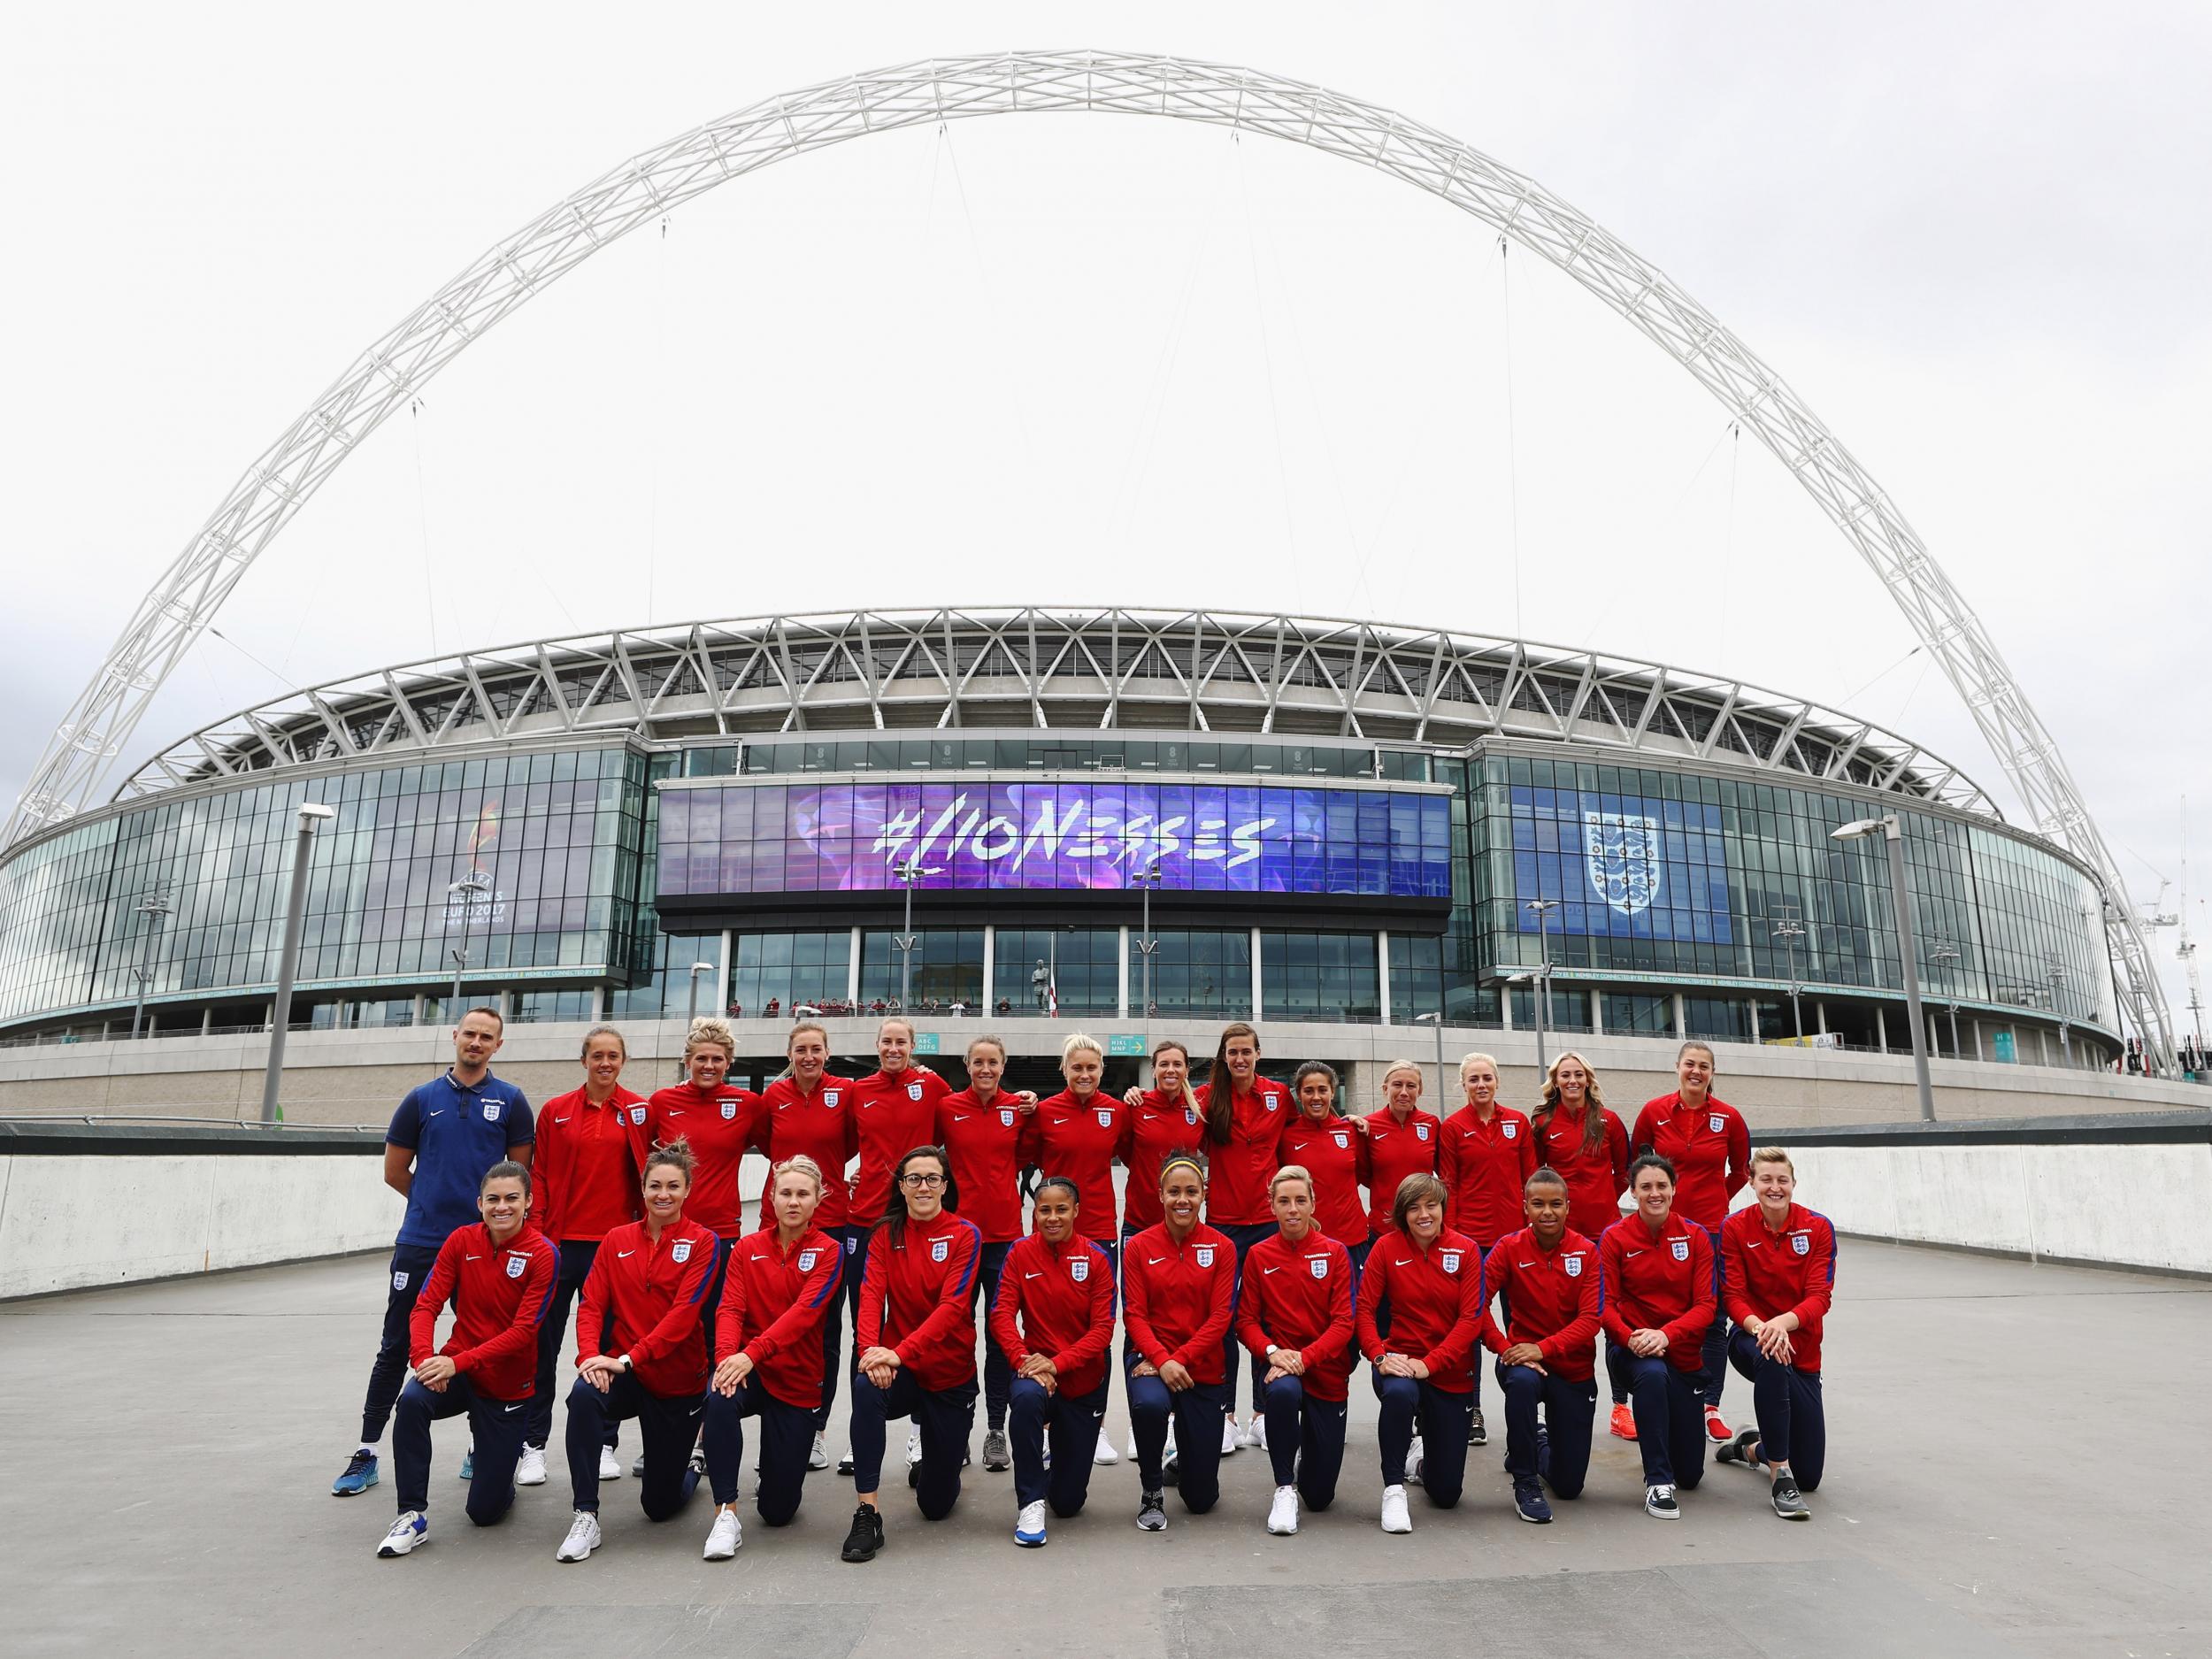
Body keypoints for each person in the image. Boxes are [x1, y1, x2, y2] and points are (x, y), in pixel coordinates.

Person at [334, 1006, 534, 1498]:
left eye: (487, 1036)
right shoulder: (421, 1099)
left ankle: (480, 1447)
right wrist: (432, 1206)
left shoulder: (511, 1101)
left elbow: (520, 1180)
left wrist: (484, 1223)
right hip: (423, 1243)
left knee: (484, 1345)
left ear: (498, 1046)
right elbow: (396, 1172)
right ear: (455, 1036)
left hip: (486, 1250)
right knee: (395, 1346)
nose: (477, 1042)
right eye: (470, 1033)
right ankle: (367, 1451)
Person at [376, 1161, 558, 1556]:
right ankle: (411, 1515)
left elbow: (523, 1332)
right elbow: (425, 1307)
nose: (502, 1206)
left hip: (507, 1384)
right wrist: (426, 1359)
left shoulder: (544, 1254)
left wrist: (457, 1363)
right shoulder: (461, 1241)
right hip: (457, 1369)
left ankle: (498, 1468)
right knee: (411, 1402)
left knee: (484, 1513)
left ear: (528, 1201)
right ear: (479, 1203)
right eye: (493, 1198)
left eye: (512, 1198)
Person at [554, 1141, 717, 1563]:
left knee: (658, 1508)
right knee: (584, 1395)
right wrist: (590, 1357)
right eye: (655, 1186)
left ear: (688, 1190)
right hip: (622, 1371)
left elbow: (683, 1318)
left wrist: (627, 1358)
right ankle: (585, 1515)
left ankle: (692, 1468)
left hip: (675, 1380)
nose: (664, 1195)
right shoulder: (616, 1239)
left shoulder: (704, 1242)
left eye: (673, 1187)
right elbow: (591, 1304)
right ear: (642, 1190)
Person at [841, 1146, 983, 1563]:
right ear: (901, 1186)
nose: (923, 1186)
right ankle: (868, 1510)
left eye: (932, 1178)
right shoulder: (885, 1233)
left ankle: (940, 1465)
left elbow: (953, 1309)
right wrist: (871, 1353)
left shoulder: (965, 1234)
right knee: (865, 1386)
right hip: (896, 1369)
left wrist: (897, 1353)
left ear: (945, 1185)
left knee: (935, 1507)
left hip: (948, 1373)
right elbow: (870, 1298)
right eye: (914, 1179)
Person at [521, 1025, 648, 1486]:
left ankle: (603, 1443)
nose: (605, 1063)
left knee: (608, 1347)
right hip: (559, 1246)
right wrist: (538, 1238)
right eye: (597, 1055)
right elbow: (539, 1176)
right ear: (584, 1061)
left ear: (623, 1060)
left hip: (614, 1249)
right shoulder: (555, 1111)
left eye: (613, 1055)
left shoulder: (638, 1111)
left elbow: (651, 1175)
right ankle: (533, 1445)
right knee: (542, 1345)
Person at [699, 1154, 843, 1558]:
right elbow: (730, 1308)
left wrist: (751, 1353)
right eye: (785, 1193)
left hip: (796, 1379)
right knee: (720, 1398)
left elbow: (804, 1314)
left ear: (819, 1199)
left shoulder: (830, 1251)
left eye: (803, 1194)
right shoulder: (746, 1248)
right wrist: (729, 1358)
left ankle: (775, 1472)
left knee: (778, 1512)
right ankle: (725, 1512)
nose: (793, 1201)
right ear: (772, 1197)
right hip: (749, 1371)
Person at [1632, 1041, 1751, 1447]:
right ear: (1677, 1068)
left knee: (1713, 1318)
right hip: (1661, 1229)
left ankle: (1710, 1405)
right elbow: (1639, 1164)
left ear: (1712, 1072)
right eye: (1689, 1065)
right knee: (1660, 1309)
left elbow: (1741, 1170)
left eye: (1704, 1066)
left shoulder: (1729, 1117)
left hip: (1712, 1230)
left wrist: (1717, 1199)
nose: (1696, 1072)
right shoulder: (1654, 1112)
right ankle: (1653, 1396)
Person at [989, 1177, 1117, 1546]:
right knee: (1026, 1399)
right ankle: (1029, 1502)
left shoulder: (1096, 1258)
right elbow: (1000, 1315)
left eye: (1062, 1209)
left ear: (1076, 1211)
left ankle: (1053, 1461)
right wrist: (1023, 1360)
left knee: (1068, 1502)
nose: (1053, 1217)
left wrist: (1057, 1364)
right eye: (1044, 1209)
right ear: (1034, 1213)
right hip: (1034, 1373)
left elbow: (1102, 1331)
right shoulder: (1019, 1253)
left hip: (1081, 1382)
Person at [755, 1021, 857, 1469]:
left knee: (825, 1331)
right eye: (801, 1050)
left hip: (831, 1224)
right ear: (790, 1054)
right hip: (774, 1226)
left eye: (817, 1049)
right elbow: (763, 1141)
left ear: (827, 1052)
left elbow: (855, 1142)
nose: (809, 1057)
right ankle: (778, 1421)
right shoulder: (772, 1097)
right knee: (772, 1325)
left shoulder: (846, 1093)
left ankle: (815, 1427)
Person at [1356, 1172, 1483, 1534]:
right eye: (1414, 1208)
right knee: (1398, 1394)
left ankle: (1420, 1461)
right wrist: (1380, 1356)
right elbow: (1363, 1309)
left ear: (1443, 1208)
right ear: (1402, 1214)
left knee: (1446, 1495)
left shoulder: (1466, 1250)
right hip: (1400, 1361)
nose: (1424, 1214)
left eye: (1431, 1205)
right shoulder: (1386, 1248)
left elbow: (1471, 1319)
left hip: (1448, 1370)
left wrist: (1431, 1364)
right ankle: (1393, 1489)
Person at [935, 1034, 1039, 1471]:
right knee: (953, 1333)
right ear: (967, 1065)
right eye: (977, 1062)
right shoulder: (946, 1107)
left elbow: (1035, 1154)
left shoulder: (1019, 1108)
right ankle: (954, 1428)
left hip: (1004, 1238)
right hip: (958, 1237)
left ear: (1002, 1065)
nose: (985, 1069)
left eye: (992, 1062)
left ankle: (996, 1430)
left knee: (1001, 1336)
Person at [1477, 1167, 1602, 1523]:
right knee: (1521, 1381)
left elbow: (1590, 1320)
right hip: (1521, 1362)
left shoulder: (1586, 1252)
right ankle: (1525, 1480)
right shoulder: (1509, 1248)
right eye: (1538, 1204)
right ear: (1525, 1207)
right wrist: (1504, 1347)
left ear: (1568, 1207)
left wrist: (1543, 1348)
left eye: (1555, 1204)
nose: (1547, 1212)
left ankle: (1532, 1444)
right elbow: (1476, 1304)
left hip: (1572, 1369)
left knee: (1569, 1486)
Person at [1716, 1148, 1835, 1520]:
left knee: (1812, 1475)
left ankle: (1751, 1448)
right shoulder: (1734, 1228)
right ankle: (1780, 1475)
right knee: (1769, 1357)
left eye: (1782, 1179)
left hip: (1801, 1349)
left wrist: (1780, 1324)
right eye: (1766, 1179)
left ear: (1794, 1184)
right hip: (1750, 1339)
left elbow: (1820, 1297)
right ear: (1752, 1183)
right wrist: (1763, 1329)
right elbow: (1732, 1296)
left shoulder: (1817, 1227)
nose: (1774, 1187)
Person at [1236, 1165, 1356, 1537]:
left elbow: (1343, 1324)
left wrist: (1304, 1358)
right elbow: (1245, 1321)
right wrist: (1272, 1352)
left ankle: (1308, 1467)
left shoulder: (1335, 1253)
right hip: (1280, 1369)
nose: (1292, 1209)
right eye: (1284, 1201)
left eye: (1300, 1201)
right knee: (1283, 1392)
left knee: (1320, 1497)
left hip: (1325, 1371)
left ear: (1312, 1205)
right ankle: (1284, 1487)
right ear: (1271, 1206)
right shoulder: (1258, 1254)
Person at [1025, 1033, 1127, 1467]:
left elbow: (1141, 1155)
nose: (1084, 1075)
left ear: (1102, 1070)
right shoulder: (1044, 1112)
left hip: (1100, 1232)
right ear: (1063, 1070)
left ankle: (1095, 1425)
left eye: (1092, 1068)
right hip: (1050, 1236)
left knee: (1096, 1331)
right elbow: (1014, 1158)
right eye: (1076, 1067)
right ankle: (1049, 1428)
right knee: (1048, 1327)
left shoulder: (1118, 1111)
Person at [1195, 1022, 1295, 1453]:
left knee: (1265, 1319)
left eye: (1246, 1052)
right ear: (1223, 1056)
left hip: (1269, 1223)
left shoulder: (1279, 1095)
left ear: (1258, 1054)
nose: (1239, 1059)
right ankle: (1225, 1416)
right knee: (1222, 1319)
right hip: (1223, 1223)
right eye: (1232, 1052)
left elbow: (1304, 1133)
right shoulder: (1204, 1098)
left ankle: (1261, 1414)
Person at [1123, 1156, 1237, 1530]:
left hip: (1200, 1367)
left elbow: (1221, 1317)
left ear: (1205, 1194)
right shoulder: (1139, 1246)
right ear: (1160, 1195)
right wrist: (1160, 1357)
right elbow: (1135, 1315)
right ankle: (1152, 1490)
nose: (1182, 1199)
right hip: (1149, 1360)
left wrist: (1178, 1360)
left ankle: (1185, 1461)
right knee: (1151, 1405)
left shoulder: (1222, 1247)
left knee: (1201, 1500)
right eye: (1174, 1192)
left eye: (1191, 1191)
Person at [1600, 1154, 1716, 1521]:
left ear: (1674, 1189)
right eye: (1645, 1187)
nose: (1654, 1193)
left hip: (1679, 1352)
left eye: (1661, 1186)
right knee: (1651, 1376)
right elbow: (1604, 1304)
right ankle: (1657, 1482)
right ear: (1632, 1192)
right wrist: (1630, 1337)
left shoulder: (1695, 1236)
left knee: (1693, 1477)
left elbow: (1706, 1306)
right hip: (1633, 1351)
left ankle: (1741, 1448)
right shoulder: (1615, 1237)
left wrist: (1666, 1335)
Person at [1532, 1050, 1632, 1439]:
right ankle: (1545, 1404)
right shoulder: (1541, 1121)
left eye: (1578, 1074)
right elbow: (1536, 1177)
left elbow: (1622, 1174)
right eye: (1564, 1075)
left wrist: (1601, 1200)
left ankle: (1620, 1407)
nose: (1572, 1081)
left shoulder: (1608, 1121)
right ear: (1555, 1081)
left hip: (1603, 1235)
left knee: (1609, 1318)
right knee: (1554, 1318)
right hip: (1557, 1238)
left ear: (1588, 1079)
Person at [1438, 1050, 1535, 1448]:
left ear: (1497, 1081)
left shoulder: (1518, 1123)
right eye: (1473, 1079)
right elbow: (1449, 1185)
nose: (1481, 1084)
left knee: (1520, 1320)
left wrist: (1530, 1228)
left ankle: (1526, 1403)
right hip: (1471, 1242)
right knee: (1471, 1324)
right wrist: (1455, 1237)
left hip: (1514, 1240)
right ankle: (1472, 1407)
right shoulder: (1452, 1128)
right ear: (1463, 1085)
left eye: (1487, 1078)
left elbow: (1531, 1181)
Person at [1276, 1061, 1373, 1279]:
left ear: (1332, 1092)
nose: (1316, 1097)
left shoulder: (1351, 1130)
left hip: (1352, 1240)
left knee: (1354, 1309)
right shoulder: (1285, 1136)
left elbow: (1363, 1176)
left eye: (1323, 1090)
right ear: (1299, 1095)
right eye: (1308, 1091)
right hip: (1306, 1240)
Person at [1356, 1059, 1441, 1249]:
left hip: (1423, 1227)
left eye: (1411, 1086)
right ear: (1385, 1089)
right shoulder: (1369, 1126)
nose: (1404, 1092)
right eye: (1397, 1085)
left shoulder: (1432, 1124)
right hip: (1383, 1228)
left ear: (1419, 1090)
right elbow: (1363, 1175)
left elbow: (1444, 1173)